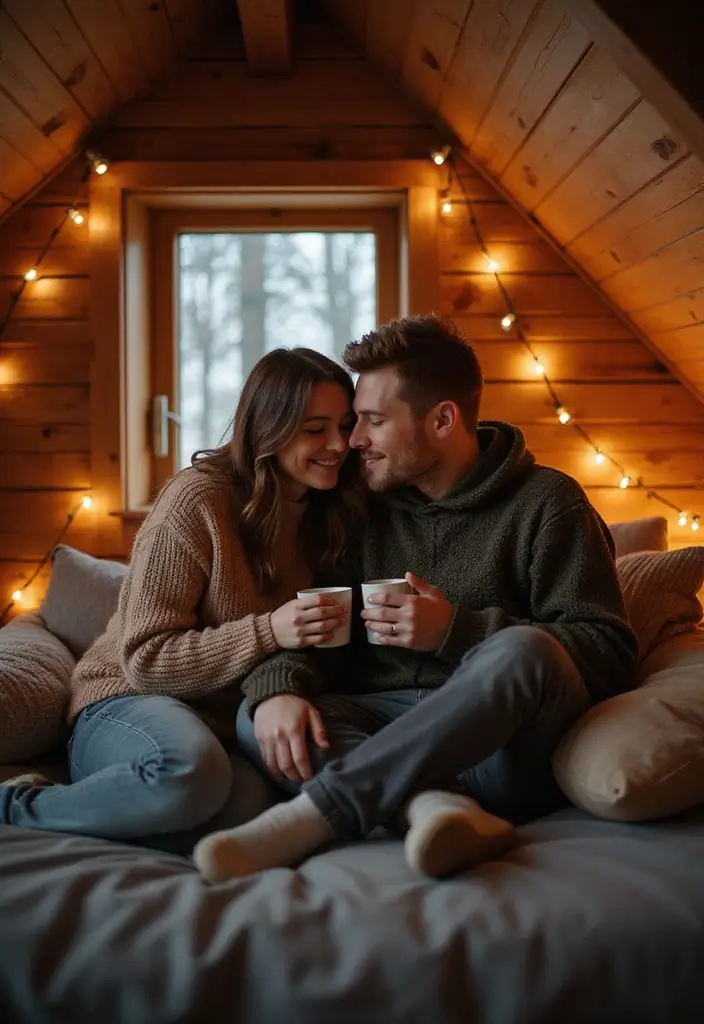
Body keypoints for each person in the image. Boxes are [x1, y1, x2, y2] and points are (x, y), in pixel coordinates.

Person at [194, 314, 638, 882]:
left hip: (503, 750)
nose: (353, 441)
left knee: (525, 649)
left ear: (443, 420)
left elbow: (609, 653)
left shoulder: (548, 504)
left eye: (374, 422)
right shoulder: (364, 508)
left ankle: (317, 813)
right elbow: (321, 629)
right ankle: (432, 808)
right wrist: (278, 689)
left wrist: (456, 630)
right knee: (259, 714)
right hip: (388, 726)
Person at [0, 348, 367, 852]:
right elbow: (146, 658)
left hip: (219, 723)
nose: (338, 444)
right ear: (269, 429)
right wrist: (270, 630)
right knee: (190, 772)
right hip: (124, 701)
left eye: (345, 425)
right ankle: (17, 806)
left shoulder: (330, 514)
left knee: (250, 807)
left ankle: (138, 805)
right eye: (314, 428)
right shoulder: (199, 500)